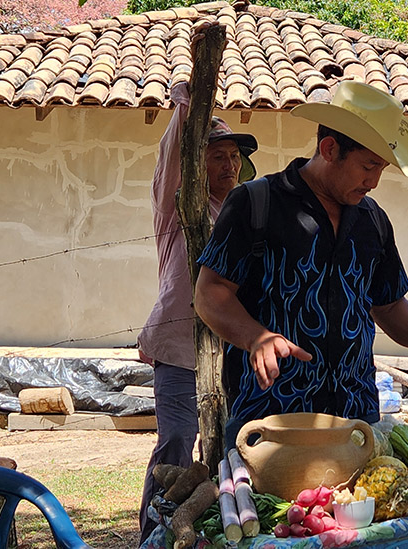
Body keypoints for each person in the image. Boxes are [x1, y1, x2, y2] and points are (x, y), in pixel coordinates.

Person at [193, 81, 408, 446]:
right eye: (368, 166)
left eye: (382, 168)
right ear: (330, 148)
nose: (374, 180)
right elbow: (210, 292)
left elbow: (388, 304)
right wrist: (256, 337)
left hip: (356, 424)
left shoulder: (373, 220)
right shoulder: (255, 203)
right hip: (270, 423)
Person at [136, 71, 258, 542]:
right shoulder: (181, 208)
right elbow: (172, 160)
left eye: (234, 157)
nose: (229, 165)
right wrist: (189, 104)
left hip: (232, 352)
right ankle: (154, 533)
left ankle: (215, 530)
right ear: (197, 166)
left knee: (230, 446)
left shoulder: (242, 219)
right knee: (176, 447)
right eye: (217, 157)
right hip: (180, 349)